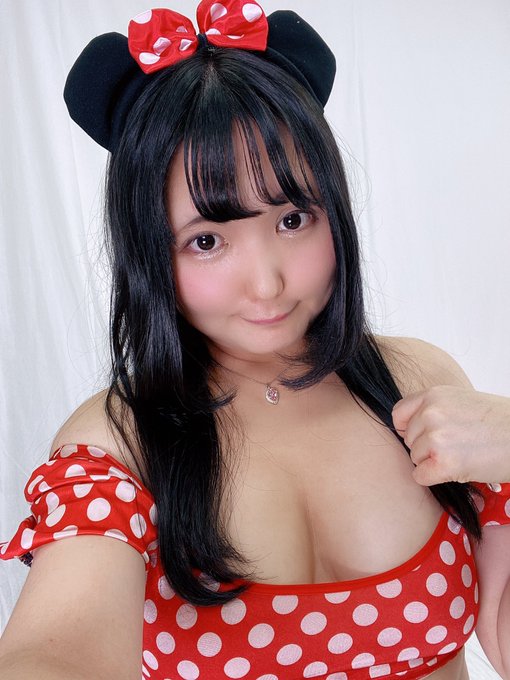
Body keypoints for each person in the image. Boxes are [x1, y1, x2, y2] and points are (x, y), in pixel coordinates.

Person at [0, 2, 509, 678]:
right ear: (149, 253)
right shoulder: (116, 446)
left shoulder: (418, 381)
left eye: (293, 219)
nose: (267, 284)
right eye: (207, 241)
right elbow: (57, 652)